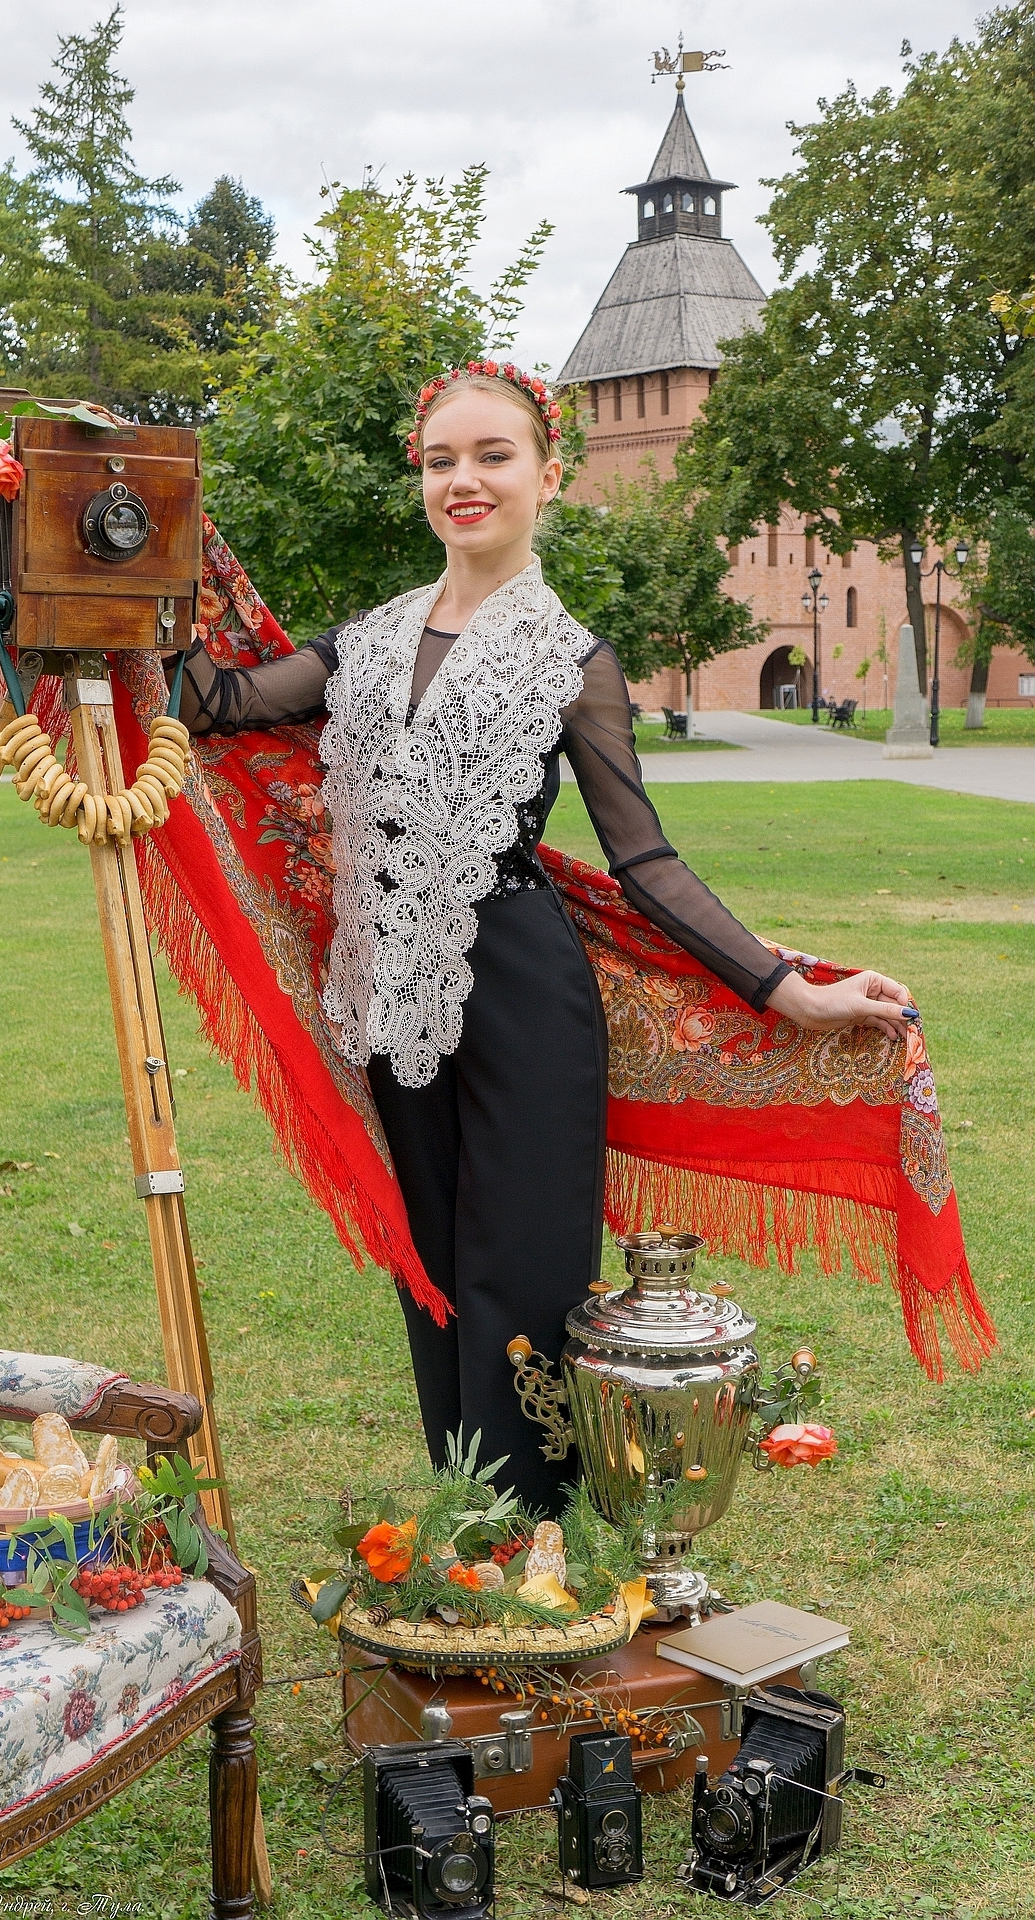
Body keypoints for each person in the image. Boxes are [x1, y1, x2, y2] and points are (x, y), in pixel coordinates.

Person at [170, 362, 918, 1513]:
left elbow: (643, 861)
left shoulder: (573, 662)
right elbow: (215, 706)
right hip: (388, 1003)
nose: (461, 482)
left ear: (548, 475)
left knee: (519, 1283)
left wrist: (786, 990)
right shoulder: (358, 646)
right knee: (429, 1275)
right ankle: (467, 1525)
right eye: (438, 461)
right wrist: (120, 564)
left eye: (491, 456)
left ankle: (537, 1547)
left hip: (524, 1007)